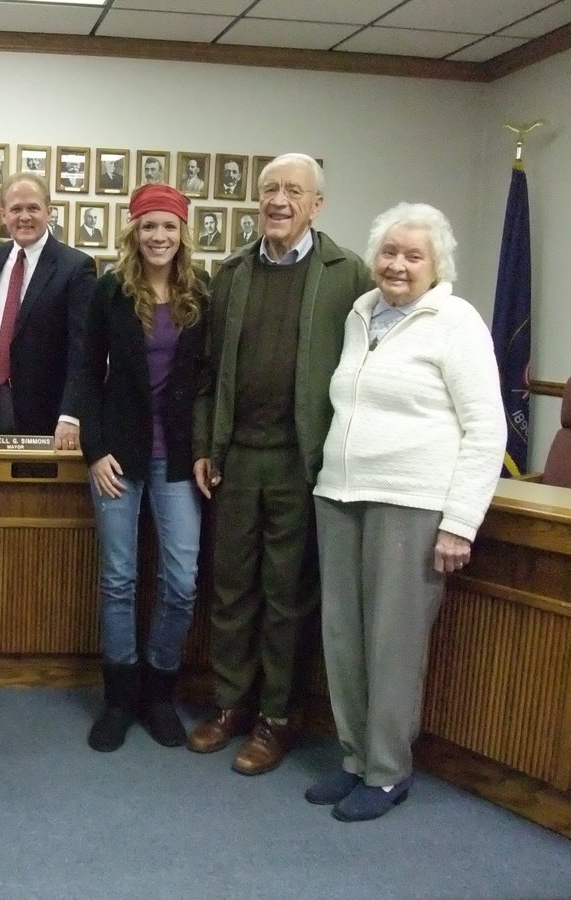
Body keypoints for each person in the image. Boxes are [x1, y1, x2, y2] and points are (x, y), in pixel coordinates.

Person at [306, 203, 505, 821]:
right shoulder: (362, 313)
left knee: (393, 643)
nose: (397, 265)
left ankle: (389, 771)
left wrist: (460, 521)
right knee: (343, 636)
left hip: (411, 503)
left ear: (436, 264)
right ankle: (354, 759)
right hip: (340, 494)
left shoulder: (456, 321)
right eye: (389, 253)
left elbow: (486, 429)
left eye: (412, 255)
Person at [188, 153, 370, 778]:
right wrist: (206, 445)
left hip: (303, 464)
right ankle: (231, 705)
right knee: (232, 588)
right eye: (270, 189)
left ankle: (278, 717)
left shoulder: (349, 274)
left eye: (294, 190)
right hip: (237, 460)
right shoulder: (232, 272)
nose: (279, 200)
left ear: (317, 205)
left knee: (287, 595)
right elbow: (209, 373)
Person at [75, 183, 208, 752]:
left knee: (181, 580)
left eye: (169, 227)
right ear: (134, 231)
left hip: (177, 456)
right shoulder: (109, 290)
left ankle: (159, 691)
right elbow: (82, 371)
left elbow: (208, 380)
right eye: (149, 226)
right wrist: (94, 449)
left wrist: (207, 448)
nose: (159, 236)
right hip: (118, 456)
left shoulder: (201, 293)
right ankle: (119, 696)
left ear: (182, 234)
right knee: (119, 579)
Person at [0, 171, 96, 444]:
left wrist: (70, 416)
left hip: (49, 414)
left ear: (49, 211)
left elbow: (83, 350)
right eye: (16, 209)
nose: (25, 217)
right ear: (3, 214)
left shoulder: (76, 267)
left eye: (33, 208)